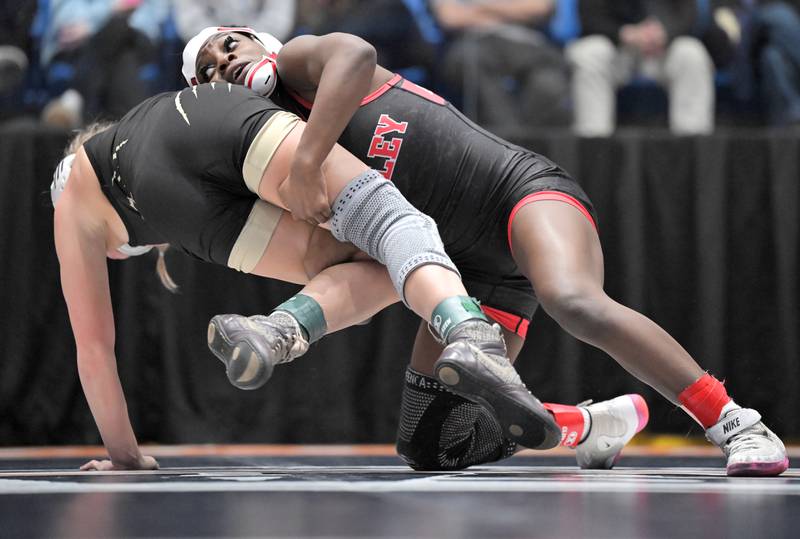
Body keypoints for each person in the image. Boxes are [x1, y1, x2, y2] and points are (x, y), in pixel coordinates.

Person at [183, 27, 789, 476]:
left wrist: (309, 163)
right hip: (468, 271)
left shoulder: (300, 63)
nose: (224, 63)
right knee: (428, 443)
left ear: (258, 40)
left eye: (228, 46)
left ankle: (736, 422)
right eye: (207, 70)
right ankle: (589, 425)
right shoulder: (275, 152)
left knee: (574, 301)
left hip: (519, 196)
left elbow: (356, 52)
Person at [53, 81, 568, 472]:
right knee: (387, 231)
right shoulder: (142, 118)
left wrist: (125, 456)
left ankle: (285, 331)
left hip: (175, 203)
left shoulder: (73, 203)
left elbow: (94, 350)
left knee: (380, 250)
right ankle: (462, 332)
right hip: (204, 114)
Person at [566, 0, 716, 135]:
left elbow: (689, 14)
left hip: (664, 47)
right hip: (616, 46)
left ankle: (692, 144)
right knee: (589, 54)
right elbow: (588, 16)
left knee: (691, 53)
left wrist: (665, 33)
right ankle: (593, 144)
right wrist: (624, 33)